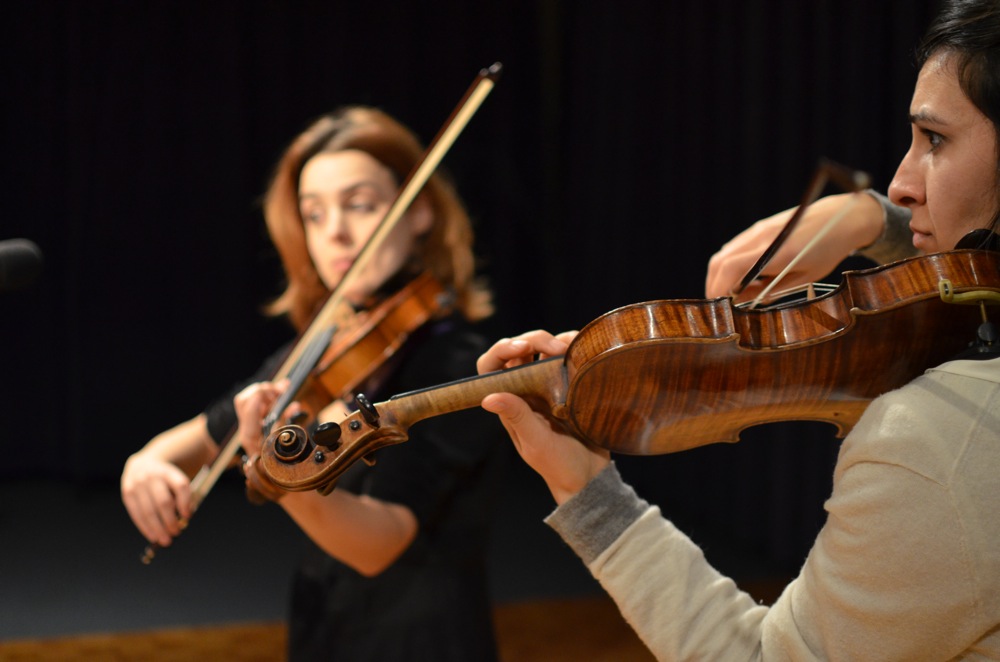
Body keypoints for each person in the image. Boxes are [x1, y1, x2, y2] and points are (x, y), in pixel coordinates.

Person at [475, 1, 1000, 659]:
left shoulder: (938, 440)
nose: (900, 183)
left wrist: (589, 494)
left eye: (936, 140)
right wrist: (870, 221)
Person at [121, 106, 507, 661]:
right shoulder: (320, 349)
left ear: (419, 210)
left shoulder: (456, 365)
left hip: (421, 640)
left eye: (360, 205)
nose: (336, 234)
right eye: (314, 214)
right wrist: (146, 465)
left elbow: (380, 544)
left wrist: (275, 474)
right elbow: (190, 444)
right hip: (322, 630)